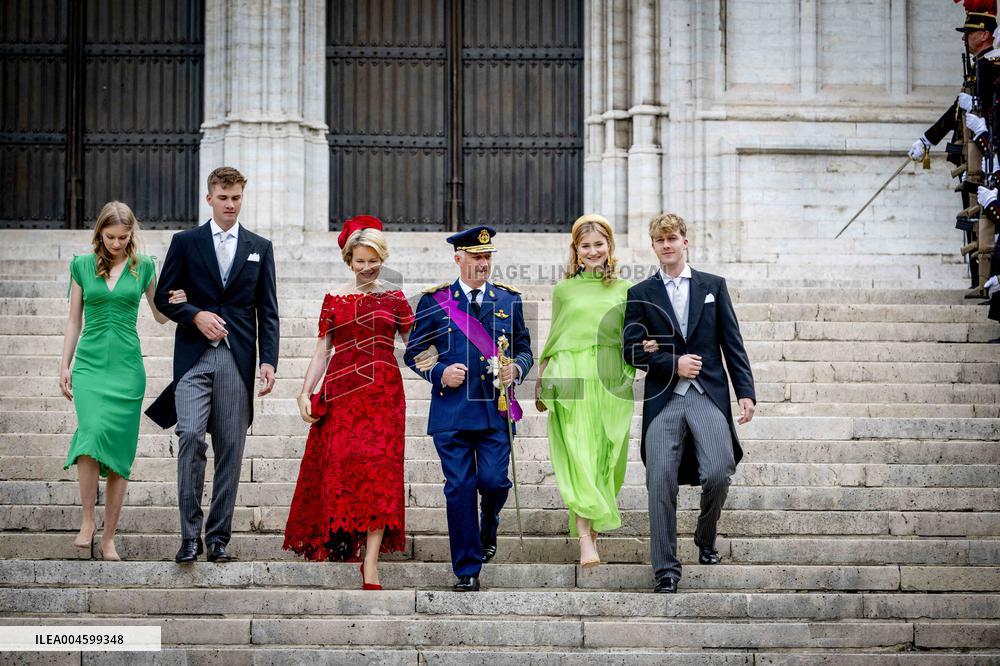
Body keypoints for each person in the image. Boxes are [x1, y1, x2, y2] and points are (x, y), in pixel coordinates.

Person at [145, 166, 280, 564]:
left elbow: (268, 311)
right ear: (209, 198)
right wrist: (195, 314)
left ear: (242, 196)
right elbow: (164, 299)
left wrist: (268, 360)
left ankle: (218, 539)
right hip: (193, 359)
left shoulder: (260, 246)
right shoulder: (186, 242)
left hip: (237, 360)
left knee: (232, 448)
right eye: (223, 198)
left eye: (236, 197)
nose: (230, 204)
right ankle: (190, 537)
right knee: (189, 437)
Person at [623, 213, 756, 593]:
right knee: (660, 479)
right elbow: (631, 352)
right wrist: (670, 362)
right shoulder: (640, 294)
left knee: (718, 471)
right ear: (653, 246)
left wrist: (745, 391)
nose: (667, 245)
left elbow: (732, 343)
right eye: (660, 240)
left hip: (707, 394)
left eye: (673, 238)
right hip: (664, 398)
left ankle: (705, 535)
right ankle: (666, 569)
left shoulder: (713, 286)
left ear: (685, 242)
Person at [283, 215, 414, 590]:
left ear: (382, 259)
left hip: (383, 395)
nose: (368, 267)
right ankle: (344, 538)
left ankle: (370, 561)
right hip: (341, 392)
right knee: (342, 467)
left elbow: (418, 346)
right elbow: (322, 349)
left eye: (374, 260)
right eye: (361, 260)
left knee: (380, 475)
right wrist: (304, 391)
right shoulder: (334, 299)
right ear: (349, 260)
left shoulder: (394, 297)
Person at [404, 226, 533, 591]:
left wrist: (517, 368)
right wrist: (441, 372)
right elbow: (414, 354)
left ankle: (488, 523)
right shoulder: (436, 302)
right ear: (458, 258)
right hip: (453, 412)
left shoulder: (509, 300)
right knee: (459, 486)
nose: (483, 263)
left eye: (488, 256)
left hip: (495, 410)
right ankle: (467, 568)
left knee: (493, 481)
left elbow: (524, 349)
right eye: (476, 257)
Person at [59, 201, 186, 561]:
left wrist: (178, 299)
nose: (116, 243)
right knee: (90, 436)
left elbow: (161, 316)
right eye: (110, 236)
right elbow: (73, 321)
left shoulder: (143, 266)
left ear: (132, 235)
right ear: (99, 232)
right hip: (89, 365)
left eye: (123, 237)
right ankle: (87, 520)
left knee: (119, 453)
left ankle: (109, 537)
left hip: (128, 369)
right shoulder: (82, 265)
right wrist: (63, 364)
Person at [535, 214, 635, 568]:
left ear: (609, 248)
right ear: (575, 252)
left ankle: (593, 535)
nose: (592, 251)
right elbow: (555, 335)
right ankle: (584, 543)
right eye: (585, 246)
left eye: (598, 244)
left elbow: (632, 336)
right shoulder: (564, 290)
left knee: (607, 456)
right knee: (578, 453)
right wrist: (541, 378)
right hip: (570, 374)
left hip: (610, 376)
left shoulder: (626, 290)